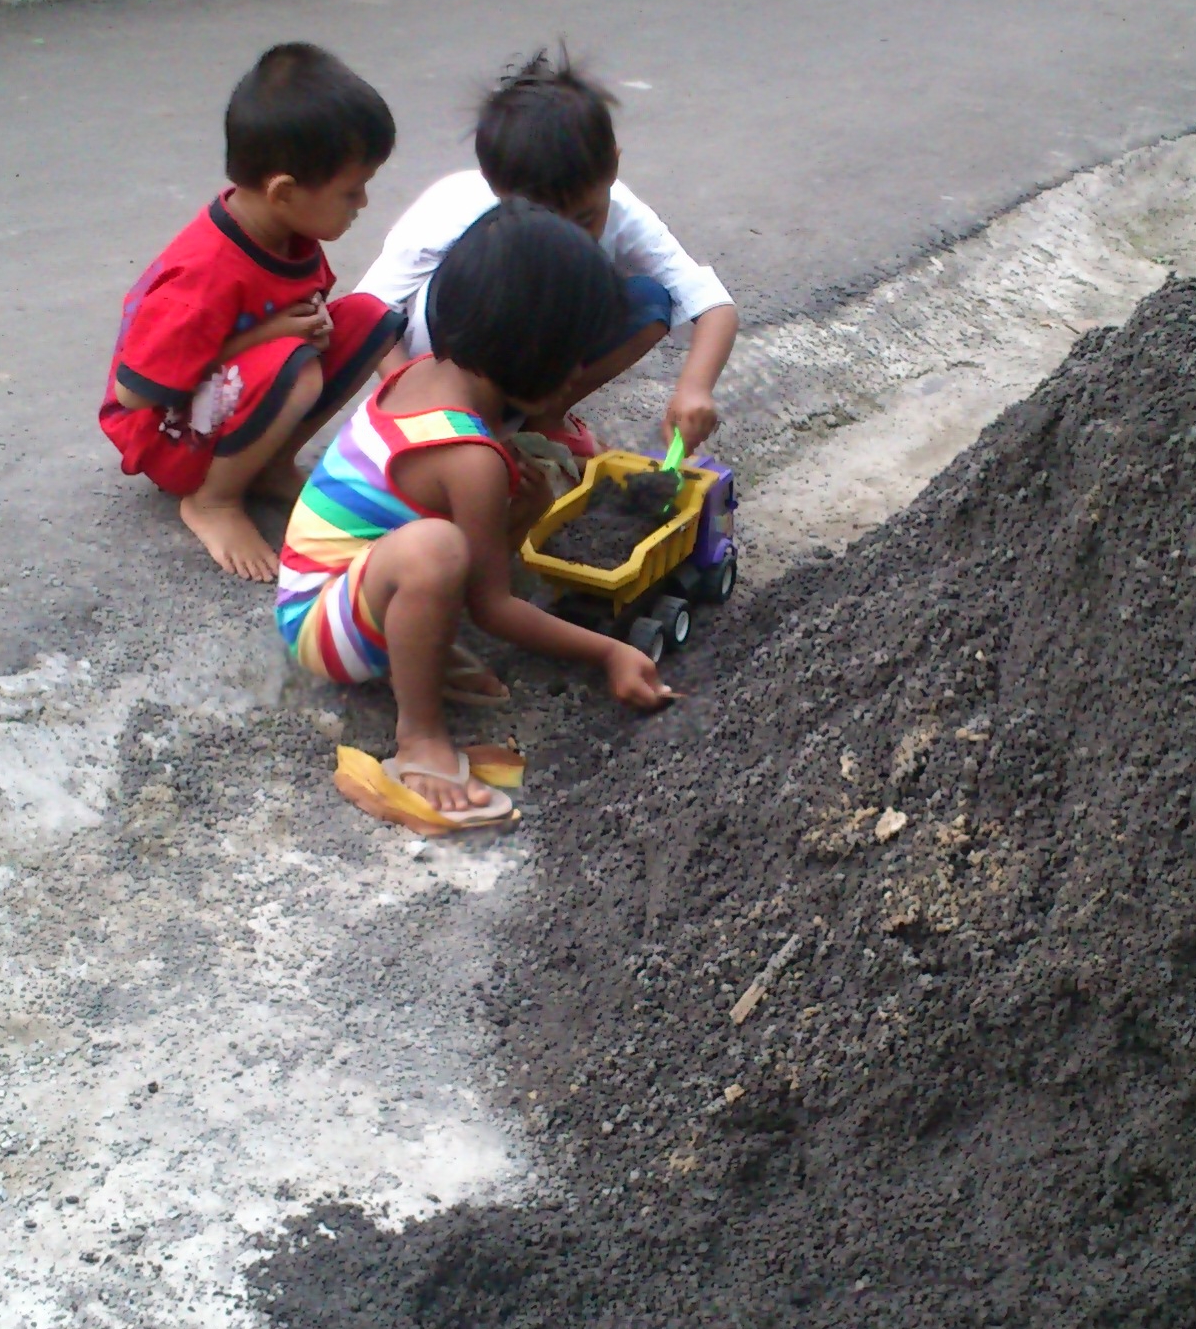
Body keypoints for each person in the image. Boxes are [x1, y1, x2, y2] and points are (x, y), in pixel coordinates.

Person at [278, 204, 679, 821]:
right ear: (532, 354)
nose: (578, 373)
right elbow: (494, 609)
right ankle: (421, 738)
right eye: (572, 357)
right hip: (320, 621)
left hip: (349, 586)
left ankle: (416, 640)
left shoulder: (425, 372)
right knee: (437, 549)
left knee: (514, 490)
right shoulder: (469, 457)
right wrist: (608, 651)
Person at [101, 42, 410, 582]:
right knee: (295, 367)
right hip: (166, 433)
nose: (361, 204)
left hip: (234, 399)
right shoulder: (202, 277)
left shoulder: (287, 234)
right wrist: (262, 339)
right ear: (284, 192)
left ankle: (264, 467)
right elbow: (134, 396)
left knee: (370, 318)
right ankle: (213, 501)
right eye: (352, 191)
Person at [353, 48, 739, 461]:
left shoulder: (621, 208)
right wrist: (412, 400)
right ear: (495, 185)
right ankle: (475, 425)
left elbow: (710, 303)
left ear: (612, 165)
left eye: (585, 218)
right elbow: (367, 311)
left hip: (532, 370)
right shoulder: (455, 208)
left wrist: (694, 388)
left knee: (650, 302)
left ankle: (537, 424)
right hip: (447, 372)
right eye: (546, 219)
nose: (566, 237)